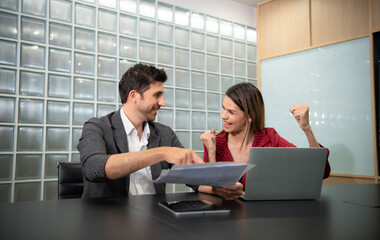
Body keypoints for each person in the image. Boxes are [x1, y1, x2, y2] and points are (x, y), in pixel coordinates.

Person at [78, 64, 203, 198]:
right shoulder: (97, 127)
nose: (163, 103)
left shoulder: (165, 133)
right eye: (157, 95)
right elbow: (93, 168)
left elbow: (193, 178)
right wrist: (162, 152)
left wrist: (216, 187)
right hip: (110, 217)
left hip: (156, 216)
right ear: (134, 96)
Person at [199, 82, 331, 200]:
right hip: (225, 217)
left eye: (231, 112)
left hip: (263, 218)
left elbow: (317, 171)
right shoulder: (214, 142)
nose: (223, 116)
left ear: (250, 116)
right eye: (223, 108)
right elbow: (206, 186)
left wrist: (307, 129)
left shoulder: (269, 138)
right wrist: (211, 152)